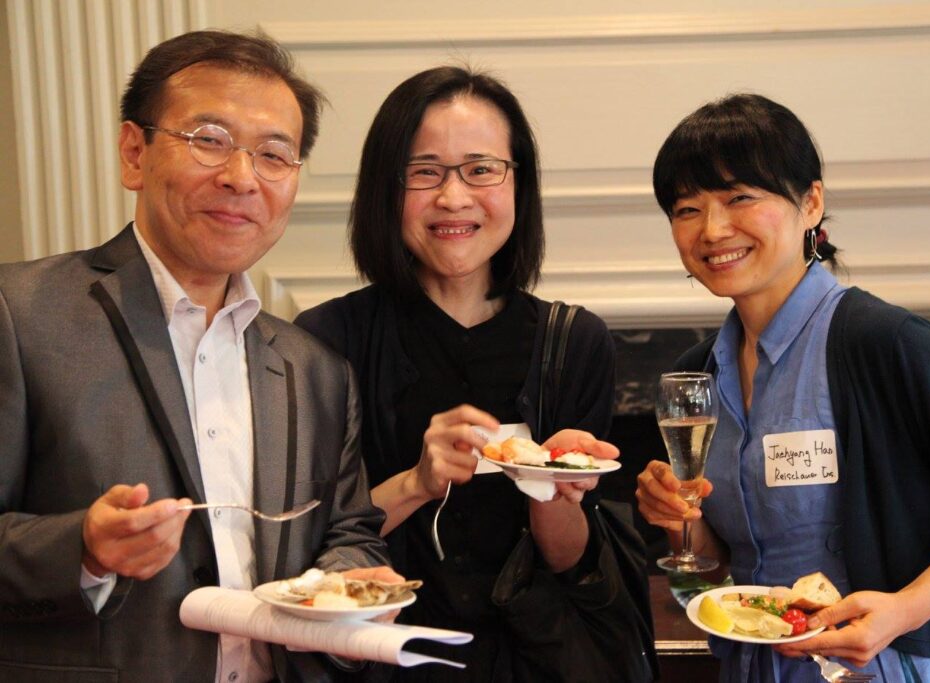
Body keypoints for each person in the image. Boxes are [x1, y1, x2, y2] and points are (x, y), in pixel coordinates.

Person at [0, 30, 400, 682]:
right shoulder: (19, 314)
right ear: (135, 152)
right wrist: (84, 549)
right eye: (209, 140)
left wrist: (346, 584)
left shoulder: (316, 369)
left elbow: (347, 530)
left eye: (274, 154)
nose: (241, 176)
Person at [635, 93, 930, 682]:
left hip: (882, 668)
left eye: (740, 197)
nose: (713, 229)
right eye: (687, 208)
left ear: (810, 202)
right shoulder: (701, 373)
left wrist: (903, 611)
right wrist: (679, 522)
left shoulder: (883, 341)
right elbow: (717, 574)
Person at [295, 66, 654, 682]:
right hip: (383, 663)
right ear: (387, 187)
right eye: (425, 171)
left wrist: (552, 489)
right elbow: (307, 549)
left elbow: (572, 563)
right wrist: (417, 481)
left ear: (519, 184)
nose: (454, 197)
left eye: (481, 169)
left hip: (531, 662)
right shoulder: (326, 342)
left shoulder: (574, 342)